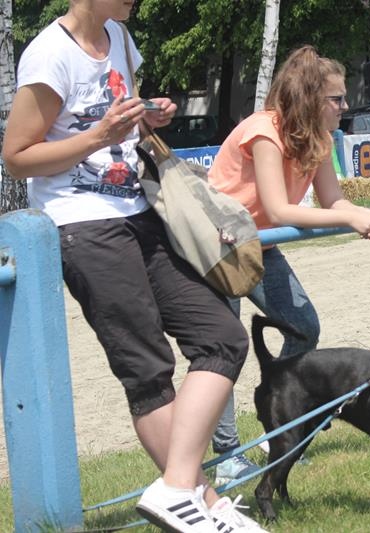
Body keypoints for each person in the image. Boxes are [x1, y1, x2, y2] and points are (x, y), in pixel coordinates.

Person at [1, 2, 262, 532]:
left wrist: (147, 116)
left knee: (223, 338)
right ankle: (204, 504)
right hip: (83, 225)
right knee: (147, 371)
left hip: (140, 210)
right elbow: (16, 157)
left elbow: (122, 119)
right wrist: (98, 136)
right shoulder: (49, 55)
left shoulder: (119, 36)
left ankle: (178, 489)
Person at [208, 43, 370, 385]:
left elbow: (333, 200)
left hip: (259, 244)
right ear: (310, 100)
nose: (345, 107)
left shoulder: (321, 138)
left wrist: (361, 212)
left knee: (304, 329)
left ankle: (279, 408)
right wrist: (350, 219)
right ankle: (223, 425)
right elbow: (278, 211)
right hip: (217, 246)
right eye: (337, 99)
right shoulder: (264, 131)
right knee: (224, 349)